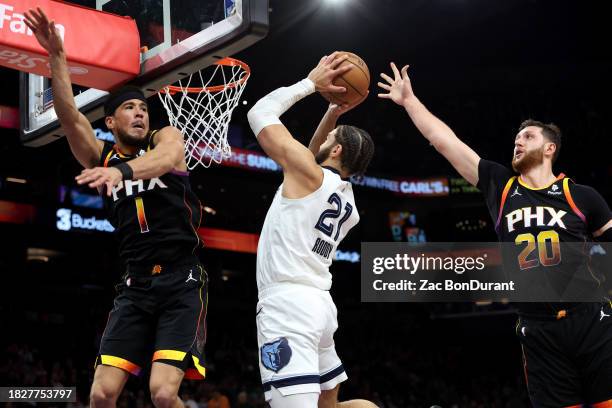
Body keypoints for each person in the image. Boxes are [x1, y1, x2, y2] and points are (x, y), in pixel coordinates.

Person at [378, 62, 612, 407]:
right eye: (517, 138)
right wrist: (409, 101)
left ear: (550, 149)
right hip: (538, 328)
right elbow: (445, 142)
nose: (518, 141)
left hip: (591, 318)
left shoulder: (583, 196)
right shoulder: (500, 186)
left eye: (528, 137)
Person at [25, 8, 207, 408]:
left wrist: (121, 173)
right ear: (110, 122)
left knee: (162, 393)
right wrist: (57, 56)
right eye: (130, 109)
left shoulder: (166, 138)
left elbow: (164, 160)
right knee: (101, 394)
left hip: (181, 281)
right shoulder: (99, 156)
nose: (140, 113)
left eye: (143, 108)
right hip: (134, 285)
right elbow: (70, 116)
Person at [246, 53, 377, 408]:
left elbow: (259, 113)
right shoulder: (347, 203)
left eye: (330, 136)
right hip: (319, 305)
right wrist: (332, 113)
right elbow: (307, 156)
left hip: (287, 306)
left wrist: (310, 84)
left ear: (335, 149)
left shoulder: (307, 174)